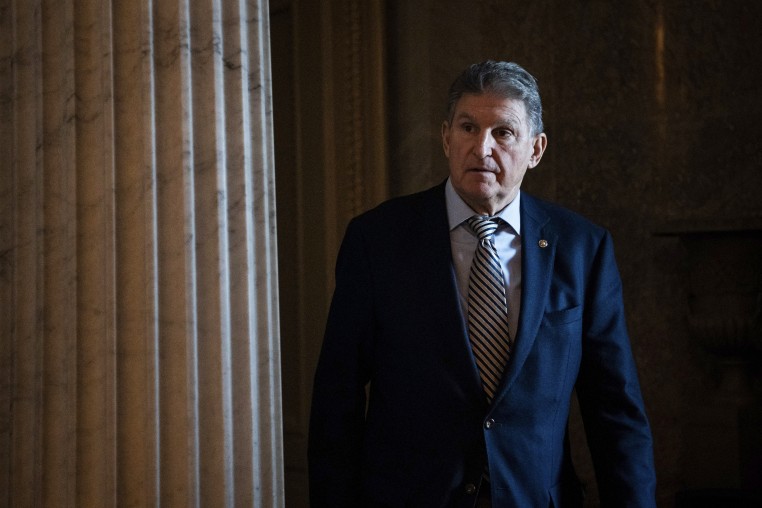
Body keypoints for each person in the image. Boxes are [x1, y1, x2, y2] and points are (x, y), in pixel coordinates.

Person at [308, 60, 657, 507]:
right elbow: (336, 399)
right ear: (445, 138)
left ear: (536, 148)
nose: (482, 148)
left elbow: (615, 411)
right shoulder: (377, 240)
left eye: (503, 132)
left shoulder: (582, 249)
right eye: (468, 127)